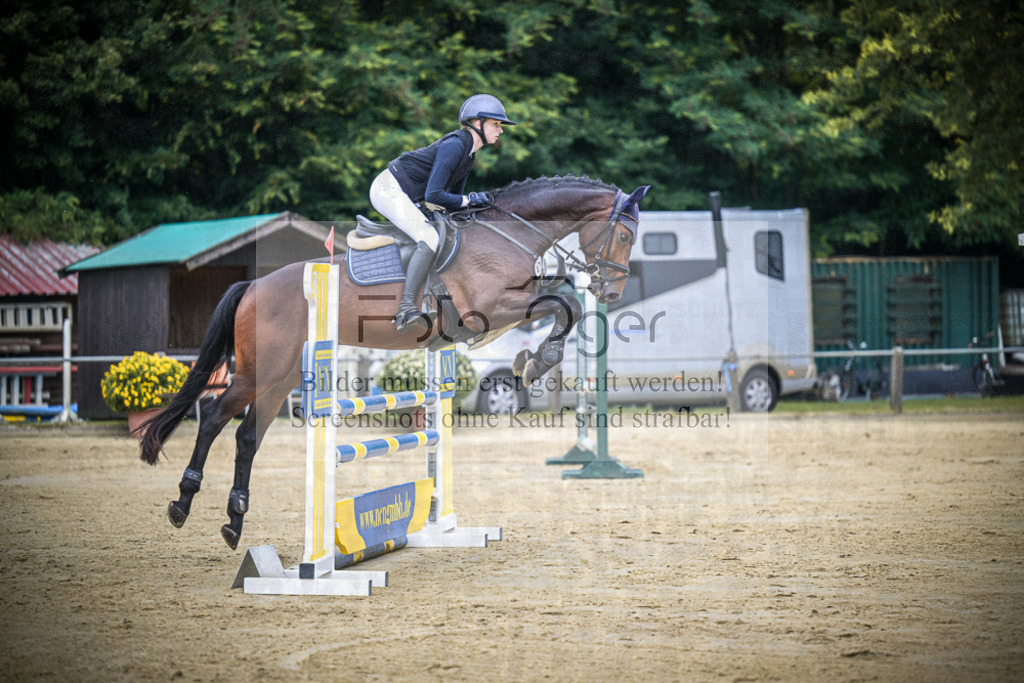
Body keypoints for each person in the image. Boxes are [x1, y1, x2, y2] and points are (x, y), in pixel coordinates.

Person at [370, 93, 516, 332]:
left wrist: (474, 205)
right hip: (388, 189)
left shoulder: (469, 153)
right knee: (429, 237)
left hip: (406, 193)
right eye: (496, 124)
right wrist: (469, 199)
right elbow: (434, 196)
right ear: (477, 124)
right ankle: (406, 308)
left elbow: (453, 204)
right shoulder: (454, 146)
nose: (500, 130)